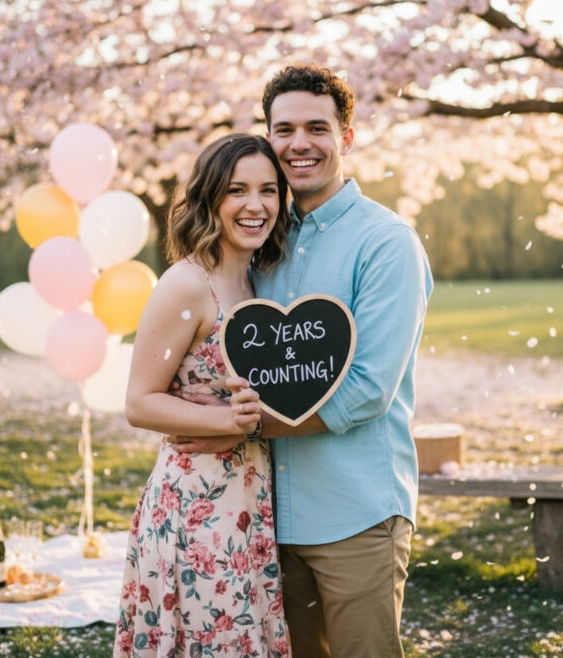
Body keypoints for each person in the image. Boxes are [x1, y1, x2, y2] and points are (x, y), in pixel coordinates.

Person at [175, 64, 433, 658]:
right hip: (263, 516)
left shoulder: (387, 243)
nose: (298, 144)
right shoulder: (260, 237)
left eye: (316, 127)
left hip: (355, 514)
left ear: (346, 136)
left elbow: (367, 390)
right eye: (283, 129)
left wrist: (234, 429)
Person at [113, 133, 293, 658]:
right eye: (237, 190)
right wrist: (231, 424)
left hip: (248, 503)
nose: (255, 205)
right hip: (195, 510)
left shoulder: (261, 284)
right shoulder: (187, 284)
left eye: (268, 190)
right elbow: (139, 402)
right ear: (211, 197)